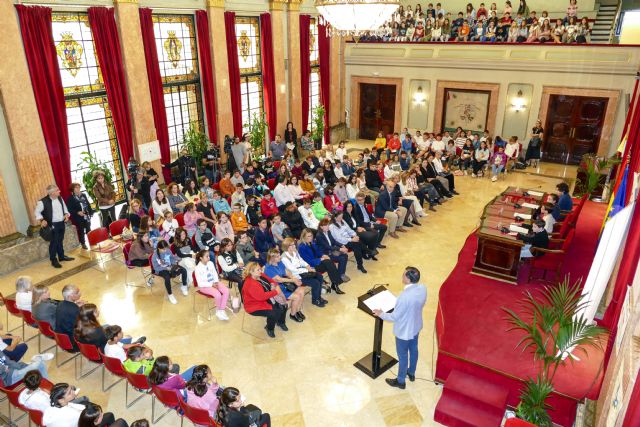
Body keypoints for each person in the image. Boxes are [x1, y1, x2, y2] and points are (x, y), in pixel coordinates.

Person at [373, 266, 427, 389]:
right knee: (414, 350)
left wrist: (381, 314)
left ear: (408, 279)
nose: (402, 276)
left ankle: (401, 381)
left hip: (404, 332)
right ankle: (411, 373)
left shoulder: (404, 296)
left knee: (403, 356)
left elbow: (394, 317)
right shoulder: (423, 288)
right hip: (416, 326)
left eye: (403, 275)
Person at [241, 262, 288, 338]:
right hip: (254, 305)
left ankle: (281, 322)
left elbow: (271, 280)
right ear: (251, 272)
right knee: (274, 312)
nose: (261, 271)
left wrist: (275, 285)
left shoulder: (260, 275)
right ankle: (269, 328)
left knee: (283, 305)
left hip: (267, 298)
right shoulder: (250, 284)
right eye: (258, 270)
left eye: (260, 269)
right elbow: (261, 297)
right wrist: (276, 291)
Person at [35, 185, 74, 268]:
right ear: (52, 193)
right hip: (52, 225)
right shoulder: (42, 202)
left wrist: (66, 215)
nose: (59, 191)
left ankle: (61, 256)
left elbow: (65, 209)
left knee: (60, 240)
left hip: (61, 223)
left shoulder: (60, 198)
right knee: (54, 242)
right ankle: (53, 260)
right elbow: (37, 212)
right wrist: (42, 220)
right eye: (57, 190)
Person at [263, 249, 307, 322]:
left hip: (285, 284)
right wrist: (293, 280)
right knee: (297, 296)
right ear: (272, 258)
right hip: (278, 289)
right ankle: (293, 314)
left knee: (302, 290)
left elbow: (287, 272)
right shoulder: (268, 268)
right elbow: (279, 280)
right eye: (277, 256)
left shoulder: (279, 262)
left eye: (279, 255)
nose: (280, 257)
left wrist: (294, 278)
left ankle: (297, 310)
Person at [297, 229, 345, 294]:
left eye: (311, 235)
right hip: (311, 266)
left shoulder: (312, 242)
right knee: (329, 263)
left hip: (317, 262)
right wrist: (321, 259)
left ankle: (335, 284)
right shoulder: (302, 247)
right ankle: (335, 284)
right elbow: (308, 261)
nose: (311, 237)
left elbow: (318, 252)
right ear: (304, 237)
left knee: (329, 262)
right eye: (308, 236)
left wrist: (323, 255)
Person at [195, 250, 231, 321]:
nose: (209, 257)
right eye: (207, 256)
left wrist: (216, 282)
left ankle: (221, 310)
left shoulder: (210, 263)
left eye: (209, 256)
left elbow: (215, 273)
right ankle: (218, 311)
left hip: (214, 282)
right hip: (204, 286)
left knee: (226, 291)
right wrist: (211, 284)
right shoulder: (197, 268)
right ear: (201, 258)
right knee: (217, 294)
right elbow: (200, 283)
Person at [152, 240, 189, 304]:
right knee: (167, 277)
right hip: (161, 269)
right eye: (163, 249)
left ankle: (184, 286)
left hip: (170, 266)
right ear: (159, 248)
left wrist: (174, 264)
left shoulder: (168, 250)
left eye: (166, 248)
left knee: (184, 270)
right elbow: (156, 268)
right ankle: (170, 294)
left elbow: (172, 258)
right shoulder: (155, 256)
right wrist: (166, 268)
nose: (165, 250)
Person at [54, 284, 84, 349]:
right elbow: (83, 326)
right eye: (77, 292)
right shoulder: (74, 310)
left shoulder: (60, 304)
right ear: (70, 296)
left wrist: (75, 305)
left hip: (61, 338)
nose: (80, 293)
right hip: (72, 342)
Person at [66, 183, 93, 249]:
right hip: (78, 217)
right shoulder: (70, 198)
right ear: (72, 189)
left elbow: (88, 204)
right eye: (76, 187)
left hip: (86, 215)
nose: (78, 189)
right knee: (81, 230)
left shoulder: (83, 195)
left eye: (79, 187)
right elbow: (69, 209)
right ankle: (83, 243)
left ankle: (91, 241)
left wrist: (91, 212)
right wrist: (78, 212)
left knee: (88, 229)